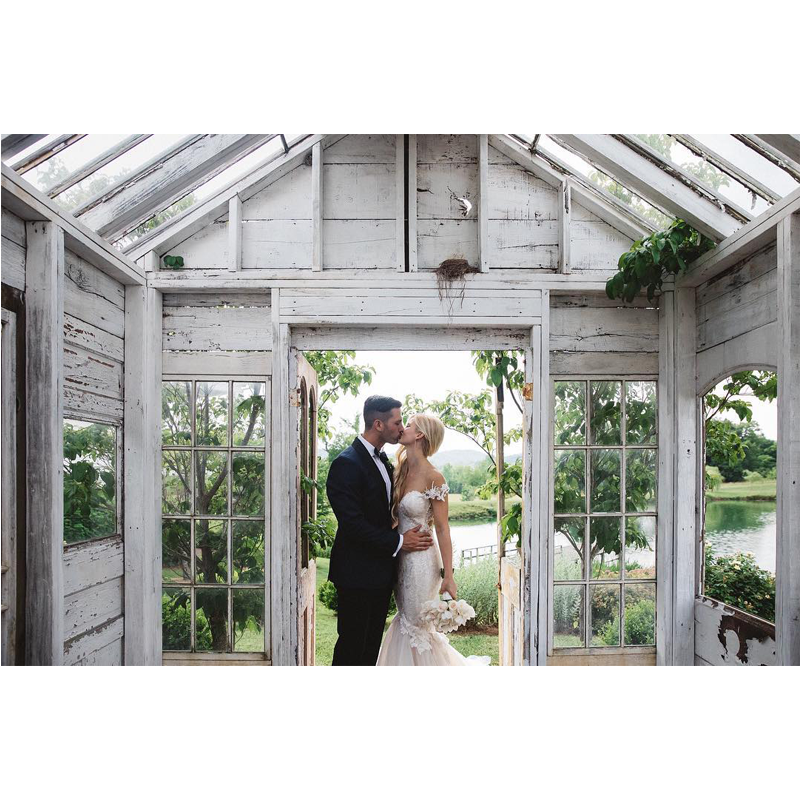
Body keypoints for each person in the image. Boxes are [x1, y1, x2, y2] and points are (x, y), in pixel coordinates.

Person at [326, 396, 432, 666]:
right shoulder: (346, 464)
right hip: (356, 575)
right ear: (378, 424)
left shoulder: (383, 461)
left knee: (370, 649)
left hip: (381, 574)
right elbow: (353, 524)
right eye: (397, 422)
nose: (400, 427)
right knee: (352, 648)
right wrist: (399, 541)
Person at [376, 413, 490, 666]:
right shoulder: (401, 469)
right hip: (401, 557)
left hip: (422, 562)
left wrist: (448, 574)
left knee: (417, 625)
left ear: (419, 435)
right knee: (405, 617)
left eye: (408, 425)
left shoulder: (434, 476)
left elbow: (443, 528)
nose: (402, 428)